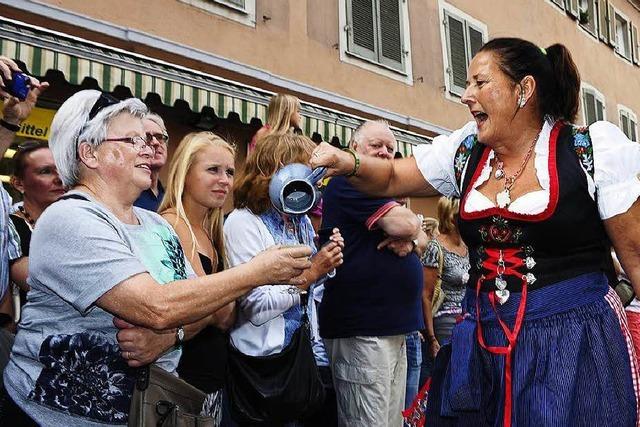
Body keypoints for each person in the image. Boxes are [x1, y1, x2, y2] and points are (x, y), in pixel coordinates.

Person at [311, 38, 640, 426]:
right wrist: (347, 161)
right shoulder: (465, 152)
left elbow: (635, 259)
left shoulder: (589, 151)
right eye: (467, 83)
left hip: (572, 344)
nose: (467, 95)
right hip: (483, 346)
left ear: (524, 90)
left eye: (480, 83)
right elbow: (393, 176)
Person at [1, 89, 312, 426]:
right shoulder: (70, 218)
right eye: (133, 139)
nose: (148, 148)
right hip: (51, 417)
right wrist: (257, 272)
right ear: (89, 153)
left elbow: (207, 308)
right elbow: (157, 306)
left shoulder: (154, 224)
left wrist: (170, 335)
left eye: (148, 139)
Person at [113, 131, 237, 425]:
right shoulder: (172, 225)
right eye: (213, 170)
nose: (224, 180)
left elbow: (226, 315)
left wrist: (218, 301)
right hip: (181, 383)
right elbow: (216, 311)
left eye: (230, 172)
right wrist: (226, 294)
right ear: (185, 172)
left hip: (210, 382)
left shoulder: (210, 231)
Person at [224, 132, 344, 425]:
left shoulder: (298, 219)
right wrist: (313, 271)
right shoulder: (243, 222)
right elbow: (256, 308)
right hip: (262, 367)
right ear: (278, 168)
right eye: (308, 173)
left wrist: (327, 262)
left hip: (297, 358)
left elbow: (309, 292)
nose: (313, 185)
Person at [318, 119, 427, 427]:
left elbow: (420, 236)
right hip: (364, 330)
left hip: (389, 329)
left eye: (390, 149)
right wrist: (413, 228)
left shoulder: (379, 189)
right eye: (376, 146)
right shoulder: (350, 181)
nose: (384, 153)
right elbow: (403, 225)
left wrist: (414, 235)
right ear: (354, 149)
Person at [8, 141, 65, 316]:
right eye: (45, 171)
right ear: (18, 183)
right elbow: (45, 287)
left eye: (61, 170)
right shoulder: (11, 227)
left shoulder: (73, 224)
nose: (59, 178)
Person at [419, 197, 470, 386]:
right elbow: (425, 294)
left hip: (469, 319)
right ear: (452, 217)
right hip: (446, 322)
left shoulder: (467, 245)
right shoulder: (436, 247)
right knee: (447, 379)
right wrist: (431, 338)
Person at [133, 112, 168, 211]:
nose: (156, 142)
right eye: (147, 137)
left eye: (160, 137)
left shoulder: (169, 198)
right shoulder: (127, 196)